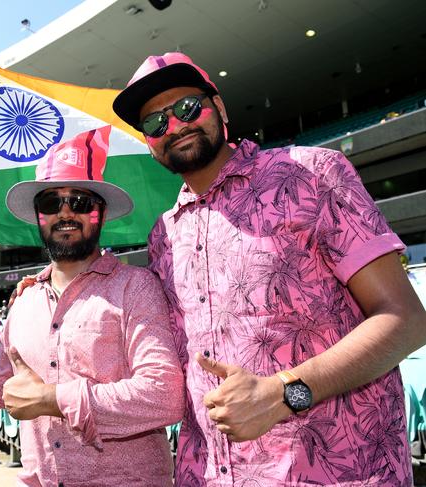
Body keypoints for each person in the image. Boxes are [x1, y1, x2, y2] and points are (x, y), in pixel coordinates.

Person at [110, 52, 426, 485]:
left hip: (340, 473)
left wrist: (283, 394)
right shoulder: (163, 236)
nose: (175, 126)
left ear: (219, 108)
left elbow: (405, 320)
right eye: (154, 123)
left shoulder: (309, 174)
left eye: (187, 107)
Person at [0, 126, 185, 486]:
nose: (66, 213)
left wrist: (52, 399)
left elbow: (163, 395)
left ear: (100, 213)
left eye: (81, 203)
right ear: (39, 216)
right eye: (52, 204)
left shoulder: (136, 288)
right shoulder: (24, 303)